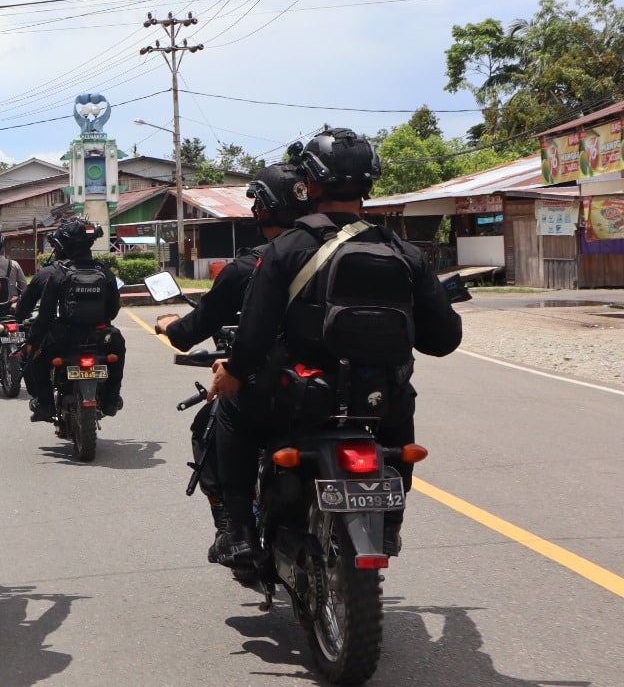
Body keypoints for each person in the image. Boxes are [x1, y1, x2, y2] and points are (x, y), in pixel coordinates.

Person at [208, 127, 463, 566]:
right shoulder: (403, 252)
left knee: (231, 414)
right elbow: (444, 340)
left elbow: (253, 336)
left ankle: (239, 532)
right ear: (370, 182)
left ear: (308, 184)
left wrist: (231, 373)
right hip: (381, 399)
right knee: (401, 417)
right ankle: (391, 524)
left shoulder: (285, 250)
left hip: (301, 396)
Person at [152, 161, 314, 558]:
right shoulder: (351, 250)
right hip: (345, 391)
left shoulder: (254, 265)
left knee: (218, 419)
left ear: (261, 210)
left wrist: (174, 328)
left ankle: (236, 529)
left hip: (277, 388)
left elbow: (198, 330)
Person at [15, 218, 125, 422]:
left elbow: (46, 316)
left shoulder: (57, 273)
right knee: (119, 347)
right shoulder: (105, 272)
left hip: (64, 337)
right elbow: (113, 310)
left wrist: (33, 342)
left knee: (34, 356)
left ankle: (45, 404)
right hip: (100, 337)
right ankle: (111, 399)